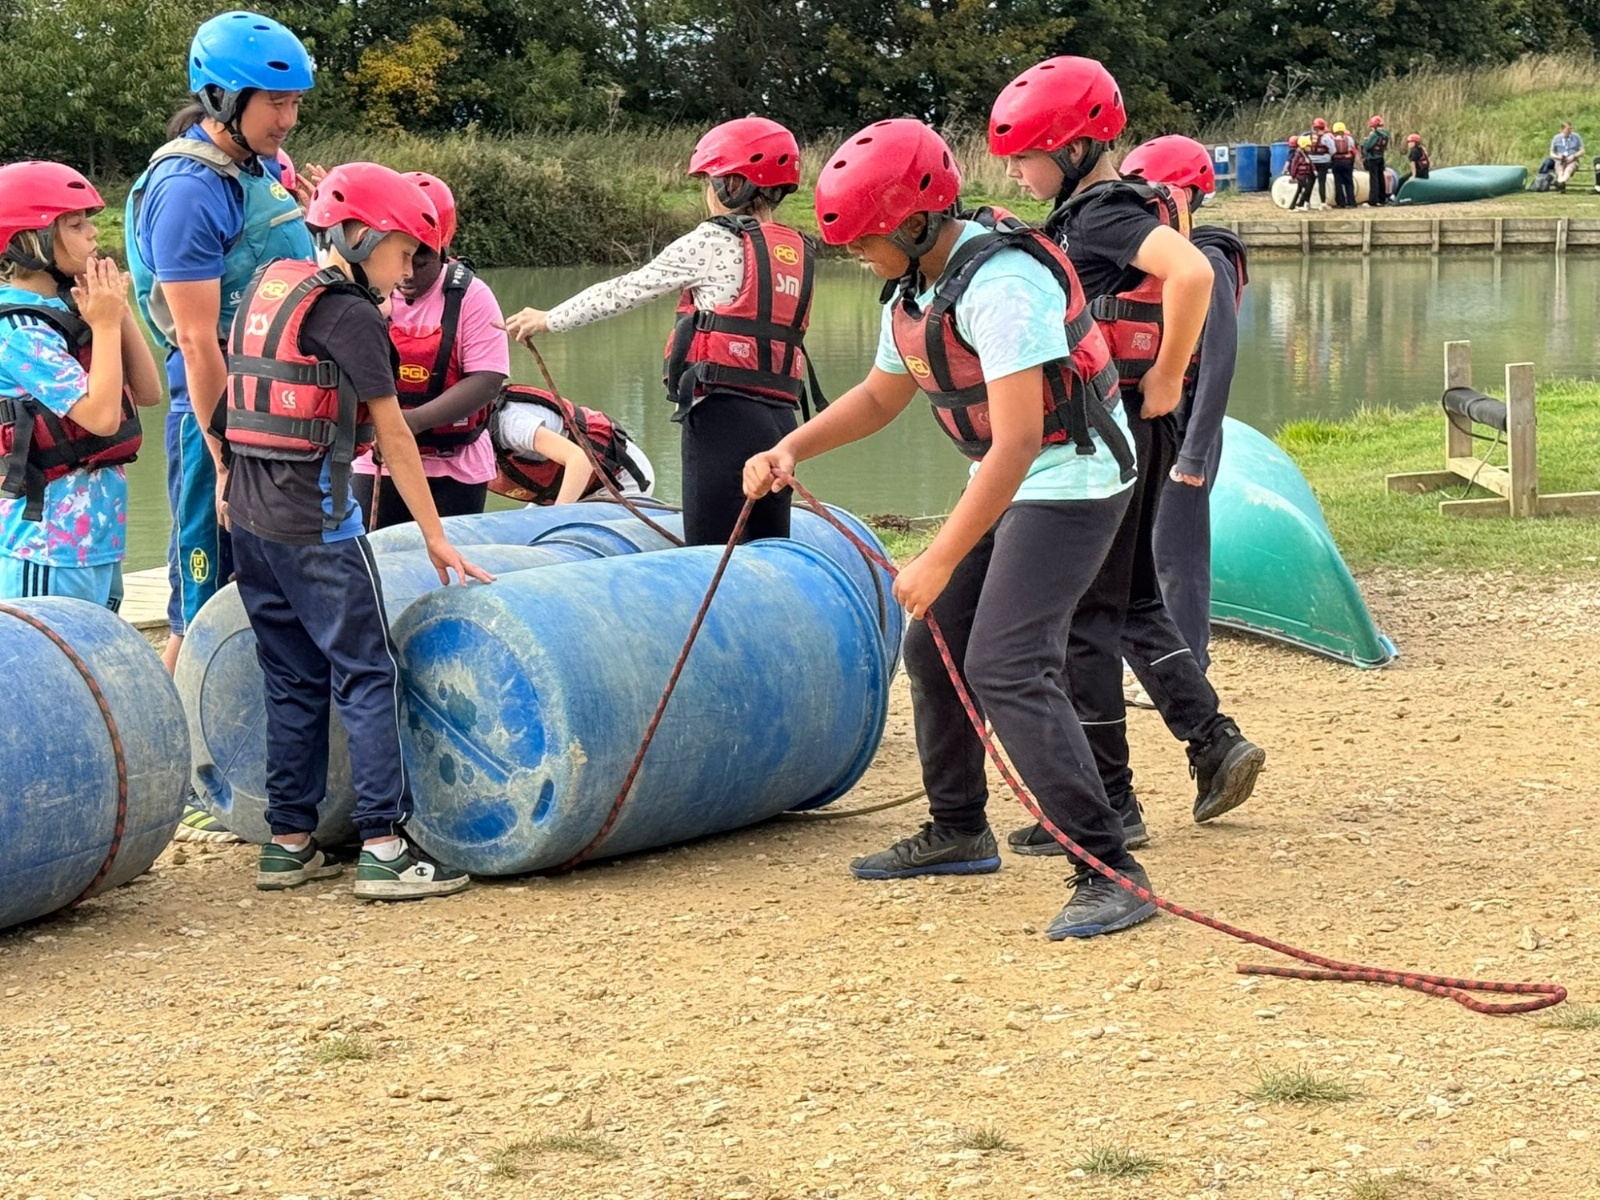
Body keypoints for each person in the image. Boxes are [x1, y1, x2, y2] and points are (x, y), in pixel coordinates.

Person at [745, 118, 1157, 939]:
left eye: (866, 241)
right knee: (933, 649)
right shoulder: (915, 286)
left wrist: (936, 557)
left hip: (1072, 479)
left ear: (912, 222)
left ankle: (1110, 869)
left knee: (1007, 662)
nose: (859, 255)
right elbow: (880, 395)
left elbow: (1018, 442)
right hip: (1012, 477)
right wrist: (791, 446)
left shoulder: (1003, 287)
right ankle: (959, 829)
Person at [989, 55, 1266, 853]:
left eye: (1025, 154)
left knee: (1087, 616)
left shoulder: (1101, 214)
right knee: (1136, 599)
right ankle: (1213, 739)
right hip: (1136, 427)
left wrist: (1170, 376)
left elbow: (1190, 275)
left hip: (1121, 427)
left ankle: (1110, 804)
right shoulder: (1097, 211)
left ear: (1076, 147)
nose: (1014, 170)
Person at [221, 162, 490, 898]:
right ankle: (383, 847)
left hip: (251, 523)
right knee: (368, 671)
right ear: (363, 237)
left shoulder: (268, 288)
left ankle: (287, 842)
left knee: (291, 675)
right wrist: (436, 534)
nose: (406, 273)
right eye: (403, 253)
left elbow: (226, 404)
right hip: (317, 526)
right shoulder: (350, 314)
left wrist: (224, 483)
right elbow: (394, 435)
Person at [126, 10, 320, 842]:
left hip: (279, 408)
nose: (289, 118)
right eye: (275, 102)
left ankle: (262, 763)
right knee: (199, 591)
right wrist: (225, 453)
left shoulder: (256, 167)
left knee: (274, 582)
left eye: (295, 101)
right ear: (222, 98)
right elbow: (197, 339)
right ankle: (170, 778)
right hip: (220, 414)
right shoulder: (187, 190)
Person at [502, 116, 817, 547]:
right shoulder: (797, 250)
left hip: (723, 416)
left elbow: (626, 290)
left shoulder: (710, 241)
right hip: (782, 420)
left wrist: (549, 318)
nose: (707, 193)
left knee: (709, 551)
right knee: (769, 550)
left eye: (708, 182)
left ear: (730, 185)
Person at [1, 163, 162, 607]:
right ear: (30, 241)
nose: (93, 233)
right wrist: (104, 325)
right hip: (45, 546)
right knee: (48, 651)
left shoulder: (69, 312)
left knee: (97, 647)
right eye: (75, 224)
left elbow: (148, 392)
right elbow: (103, 419)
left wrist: (118, 310)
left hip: (98, 538)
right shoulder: (18, 331)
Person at [1119, 137, 1248, 671]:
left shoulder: (1208, 260)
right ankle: (1157, 664)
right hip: (1162, 426)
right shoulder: (1165, 258)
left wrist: (1193, 456)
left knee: (1178, 558)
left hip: (1188, 429)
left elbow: (1218, 362)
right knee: (1148, 552)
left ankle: (1189, 667)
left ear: (1185, 195)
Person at [351, 172, 509, 530]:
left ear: (441, 250)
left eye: (420, 260)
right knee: (374, 552)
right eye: (400, 257)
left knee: (449, 557)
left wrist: (411, 423)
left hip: (455, 464)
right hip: (378, 461)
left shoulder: (472, 296)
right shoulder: (366, 291)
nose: (407, 274)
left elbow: (487, 380)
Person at [489, 384, 654, 505]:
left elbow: (580, 459)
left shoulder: (511, 422)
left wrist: (558, 515)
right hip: (566, 489)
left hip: (619, 478)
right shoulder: (473, 436)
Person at [1329, 121, 1358, 208]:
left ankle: (1341, 203)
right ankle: (1352, 202)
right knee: (1349, 182)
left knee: (1338, 183)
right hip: (1347, 162)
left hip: (1336, 163)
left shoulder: (1332, 140)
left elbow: (1332, 151)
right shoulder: (1349, 139)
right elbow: (1352, 149)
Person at [1363, 117, 1390, 207]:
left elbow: (1367, 146)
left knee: (1373, 179)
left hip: (1373, 158)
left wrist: (1366, 140)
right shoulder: (1386, 134)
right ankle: (1382, 199)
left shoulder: (1375, 135)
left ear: (1374, 126)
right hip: (1381, 157)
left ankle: (1373, 201)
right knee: (1381, 178)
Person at [1307, 117, 1334, 205]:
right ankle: (1322, 203)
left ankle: (1306, 202)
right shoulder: (1326, 138)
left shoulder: (1308, 137)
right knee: (1321, 182)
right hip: (1323, 162)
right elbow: (1333, 150)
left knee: (1310, 182)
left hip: (1311, 163)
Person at [1550, 123, 1583, 192]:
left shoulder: (1576, 137)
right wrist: (1558, 157)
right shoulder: (1556, 138)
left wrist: (1573, 156)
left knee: (1568, 169)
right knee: (1560, 170)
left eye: (1571, 128)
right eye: (1568, 129)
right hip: (1560, 160)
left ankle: (1559, 182)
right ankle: (1561, 183)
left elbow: (1582, 151)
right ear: (1562, 129)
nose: (1570, 130)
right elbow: (1551, 153)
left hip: (1572, 159)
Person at [1288, 136, 1317, 210]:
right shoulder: (1298, 155)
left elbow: (1310, 163)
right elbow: (1293, 166)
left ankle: (1293, 206)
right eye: (1308, 146)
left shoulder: (1305, 155)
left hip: (1304, 175)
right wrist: (1293, 175)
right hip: (1300, 176)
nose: (1310, 148)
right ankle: (1299, 204)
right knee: (1307, 188)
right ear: (1303, 146)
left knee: (1299, 191)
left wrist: (1314, 170)